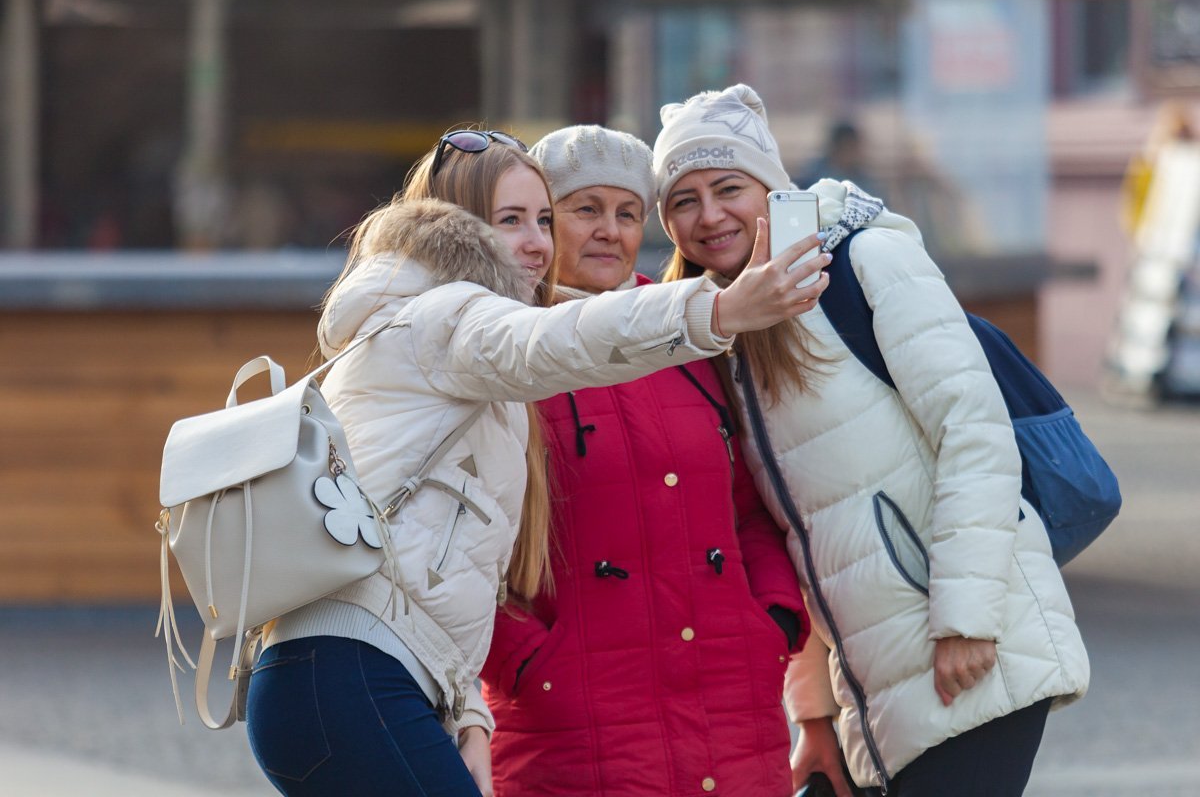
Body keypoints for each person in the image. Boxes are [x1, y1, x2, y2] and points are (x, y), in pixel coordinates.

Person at [244, 128, 828, 797]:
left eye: (542, 219)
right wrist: (719, 308)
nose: (536, 242)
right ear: (459, 230)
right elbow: (556, 340)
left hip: (363, 674)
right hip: (348, 672)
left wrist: (468, 715)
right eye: (511, 220)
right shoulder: (444, 317)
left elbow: (447, 569)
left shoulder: (440, 325)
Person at [653, 84, 1090, 797]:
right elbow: (794, 526)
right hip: (873, 683)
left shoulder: (866, 262)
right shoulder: (721, 326)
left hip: (969, 649)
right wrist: (815, 711)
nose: (709, 216)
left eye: (728, 187)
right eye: (682, 200)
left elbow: (973, 434)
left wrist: (966, 620)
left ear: (772, 185)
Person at [479, 125, 814, 796]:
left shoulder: (694, 336)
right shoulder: (499, 348)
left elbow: (749, 508)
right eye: (584, 209)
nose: (609, 230)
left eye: (627, 213)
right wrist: (527, 663)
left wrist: (770, 620)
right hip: (571, 724)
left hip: (731, 709)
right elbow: (458, 543)